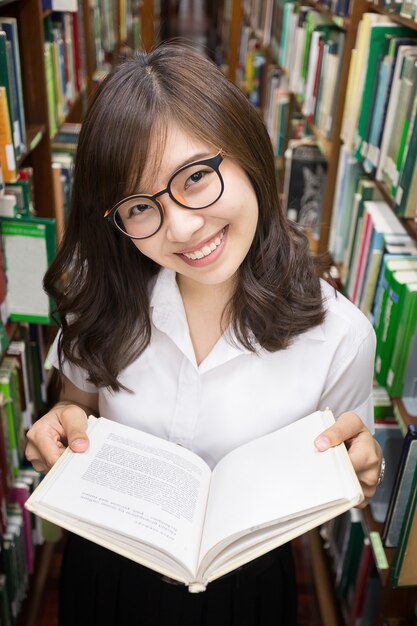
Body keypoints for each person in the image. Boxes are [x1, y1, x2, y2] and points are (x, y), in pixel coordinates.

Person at [26, 43, 383, 626]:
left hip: (248, 592)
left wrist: (358, 472)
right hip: (106, 573)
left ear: (246, 153)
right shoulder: (105, 293)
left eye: (196, 177)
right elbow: (77, 404)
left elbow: (341, 461)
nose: (183, 228)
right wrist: (59, 425)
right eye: (141, 207)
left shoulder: (339, 336)